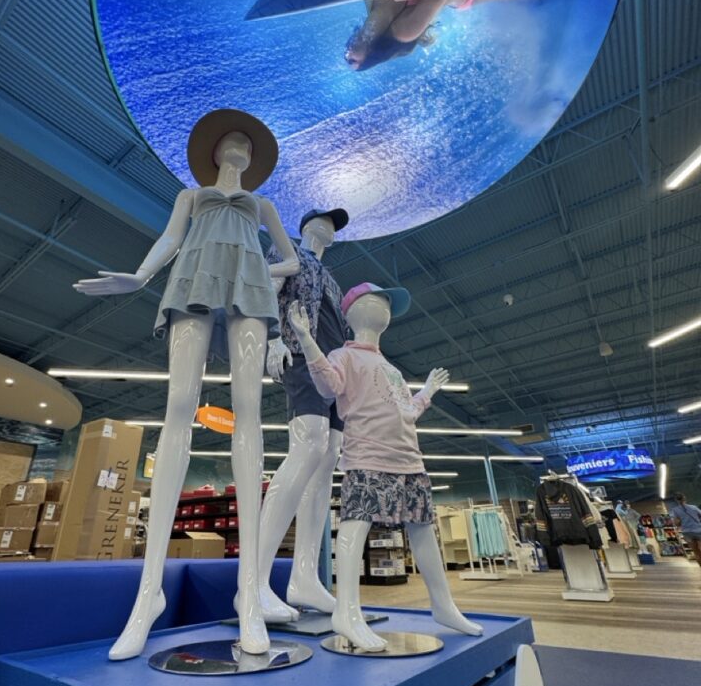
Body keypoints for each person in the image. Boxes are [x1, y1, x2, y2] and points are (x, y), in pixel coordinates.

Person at [73, 109, 299, 657]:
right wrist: (141, 276)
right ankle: (147, 592)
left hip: (249, 285)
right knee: (180, 404)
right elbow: (171, 238)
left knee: (249, 409)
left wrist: (253, 269)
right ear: (215, 152)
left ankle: (250, 591)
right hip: (192, 275)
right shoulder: (190, 196)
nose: (239, 147)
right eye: (232, 141)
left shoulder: (263, 205)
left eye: (248, 143)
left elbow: (289, 261)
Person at [288, 281, 482, 651]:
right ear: (352, 311)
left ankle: (443, 605)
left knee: (423, 531)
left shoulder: (390, 368)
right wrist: (306, 338)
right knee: (354, 526)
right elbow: (328, 387)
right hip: (367, 458)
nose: (384, 308)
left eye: (387, 304)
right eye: (376, 300)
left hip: (410, 461)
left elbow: (406, 411)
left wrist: (426, 391)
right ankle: (347, 610)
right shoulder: (343, 356)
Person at [247, 206, 349, 623]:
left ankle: (305, 575)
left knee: (329, 456)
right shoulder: (285, 250)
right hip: (300, 356)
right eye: (321, 220)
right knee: (309, 446)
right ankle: (252, 582)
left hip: (333, 372)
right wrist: (272, 336)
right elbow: (264, 288)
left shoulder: (334, 282)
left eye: (333, 224)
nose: (327, 226)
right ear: (305, 226)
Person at [345, 0, 543, 71]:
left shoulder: (370, 0)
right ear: (370, 56)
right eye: (352, 61)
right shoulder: (403, 32)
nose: (347, 54)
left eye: (345, 56)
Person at [668, 492, 701, 568]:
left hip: (687, 532)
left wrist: (682, 521)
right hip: (698, 530)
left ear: (676, 500)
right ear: (685, 498)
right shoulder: (694, 507)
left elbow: (676, 523)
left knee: (696, 552)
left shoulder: (675, 510)